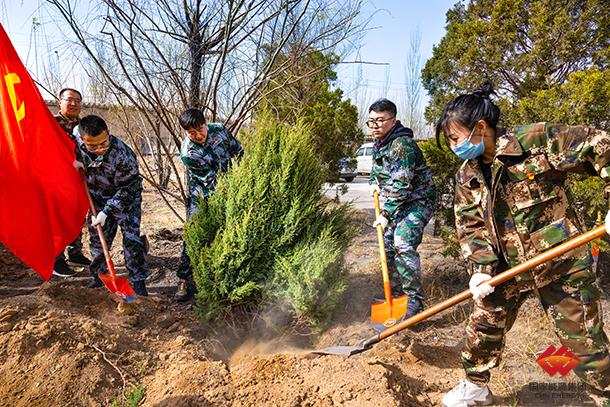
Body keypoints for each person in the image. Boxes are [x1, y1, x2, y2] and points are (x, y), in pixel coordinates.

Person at [437, 82, 610, 407]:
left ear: (481, 127)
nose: (454, 146)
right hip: (507, 269)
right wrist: (480, 270)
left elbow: (600, 144)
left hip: (563, 263)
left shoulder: (535, 141)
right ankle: (476, 387)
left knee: (584, 343)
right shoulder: (467, 176)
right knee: (483, 326)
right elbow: (471, 226)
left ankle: (605, 394)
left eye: (455, 137)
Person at [367, 98, 436, 318]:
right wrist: (373, 182)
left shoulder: (402, 145)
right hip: (398, 202)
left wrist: (386, 214)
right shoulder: (381, 142)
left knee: (402, 243)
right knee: (386, 245)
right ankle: (396, 296)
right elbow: (377, 169)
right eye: (371, 121)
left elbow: (403, 185)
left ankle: (414, 301)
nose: (375, 125)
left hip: (418, 201)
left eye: (380, 120)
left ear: (393, 120)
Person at [75, 115, 149, 296]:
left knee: (131, 240)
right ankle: (100, 276)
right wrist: (73, 162)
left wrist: (107, 211)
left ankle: (138, 281)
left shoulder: (123, 155)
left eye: (104, 143)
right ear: (83, 140)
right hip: (97, 198)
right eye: (93, 146)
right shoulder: (75, 143)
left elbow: (128, 188)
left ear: (108, 134)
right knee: (98, 239)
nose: (100, 149)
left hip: (126, 200)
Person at [175, 108, 243, 302]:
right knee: (194, 234)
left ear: (206, 122)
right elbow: (211, 180)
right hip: (203, 194)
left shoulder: (219, 130)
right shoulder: (189, 152)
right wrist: (237, 185)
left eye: (200, 129)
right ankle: (183, 278)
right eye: (191, 133)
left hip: (234, 186)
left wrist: (244, 177)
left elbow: (238, 151)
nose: (197, 135)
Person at [52, 88, 91, 277]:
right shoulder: (51, 123)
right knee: (58, 219)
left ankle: (75, 252)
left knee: (76, 216)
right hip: (56, 179)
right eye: (69, 100)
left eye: (78, 100)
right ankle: (56, 259)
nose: (74, 104)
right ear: (60, 102)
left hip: (79, 178)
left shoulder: (84, 126)